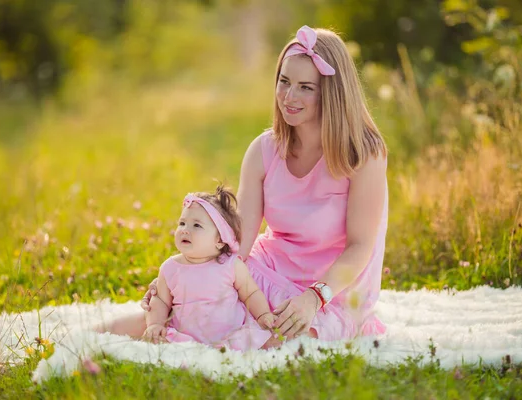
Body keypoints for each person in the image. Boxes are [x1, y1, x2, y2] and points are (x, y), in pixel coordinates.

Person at [141, 25, 388, 342]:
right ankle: (80, 347)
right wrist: (182, 278)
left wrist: (313, 298)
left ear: (332, 93)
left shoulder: (364, 154)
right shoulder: (264, 149)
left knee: (274, 343)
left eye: (305, 87)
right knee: (188, 319)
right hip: (268, 271)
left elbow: (360, 246)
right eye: (284, 82)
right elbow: (236, 241)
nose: (289, 96)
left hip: (334, 290)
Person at [136, 186, 278, 350]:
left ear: (219, 240)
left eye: (196, 225)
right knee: (167, 346)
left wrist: (263, 315)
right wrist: (155, 324)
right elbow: (160, 300)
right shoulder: (170, 268)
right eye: (182, 223)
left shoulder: (231, 265)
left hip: (232, 334)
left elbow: (251, 293)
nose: (185, 230)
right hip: (186, 338)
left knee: (265, 340)